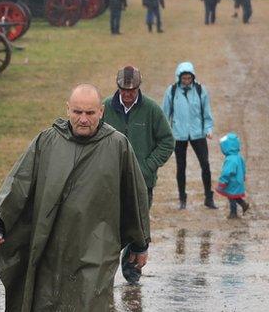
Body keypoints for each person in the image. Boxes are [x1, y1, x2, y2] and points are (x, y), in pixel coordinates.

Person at [0, 84, 150, 312]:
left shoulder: (117, 146)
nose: (83, 119)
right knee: (54, 301)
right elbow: (20, 180)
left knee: (92, 307)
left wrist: (140, 242)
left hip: (98, 245)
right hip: (55, 240)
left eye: (90, 113)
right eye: (77, 112)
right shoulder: (48, 141)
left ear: (101, 112)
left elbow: (134, 194)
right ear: (67, 109)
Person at [102, 66, 173, 284]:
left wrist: (147, 166)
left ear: (138, 88)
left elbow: (167, 141)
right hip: (110, 182)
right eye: (123, 89)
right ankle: (105, 274)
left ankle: (132, 271)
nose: (127, 94)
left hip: (143, 182)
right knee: (109, 228)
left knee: (137, 226)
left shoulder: (151, 109)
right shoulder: (104, 108)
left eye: (131, 90)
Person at [161, 62, 216, 209]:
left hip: (198, 133)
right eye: (184, 78)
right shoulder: (171, 91)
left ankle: (208, 198)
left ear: (193, 77)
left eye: (188, 78)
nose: (186, 81)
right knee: (181, 167)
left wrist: (208, 129)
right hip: (178, 135)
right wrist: (164, 134)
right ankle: (182, 199)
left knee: (205, 165)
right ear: (179, 78)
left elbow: (207, 113)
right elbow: (165, 114)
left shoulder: (200, 90)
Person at [216, 133, 250, 219]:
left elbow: (226, 172)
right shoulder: (238, 157)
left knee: (231, 197)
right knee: (236, 196)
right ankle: (244, 204)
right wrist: (243, 176)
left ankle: (233, 213)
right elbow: (243, 168)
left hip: (232, 182)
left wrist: (222, 182)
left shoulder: (230, 159)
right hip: (238, 181)